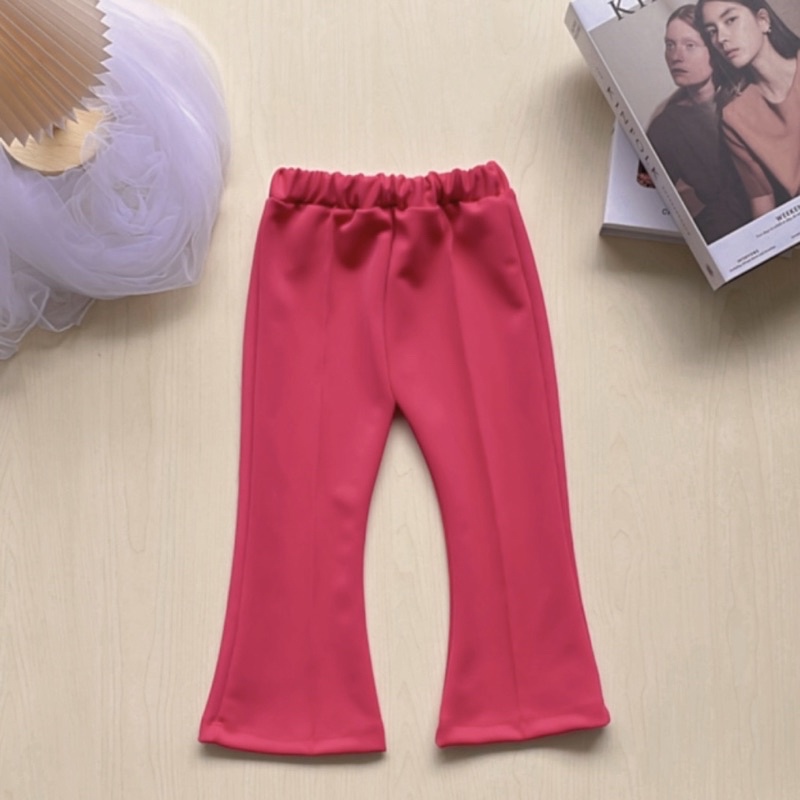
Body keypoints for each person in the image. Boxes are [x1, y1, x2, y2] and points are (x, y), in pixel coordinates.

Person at [646, 4, 751, 241]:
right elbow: (645, 192)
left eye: (690, 45)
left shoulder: (750, 94)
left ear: (714, 49)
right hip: (724, 236)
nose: (676, 56)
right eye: (670, 45)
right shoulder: (666, 125)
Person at [697, 0, 800, 217]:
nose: (721, 38)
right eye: (711, 31)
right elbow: (761, 196)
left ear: (763, 20)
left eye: (730, 20)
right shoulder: (734, 116)